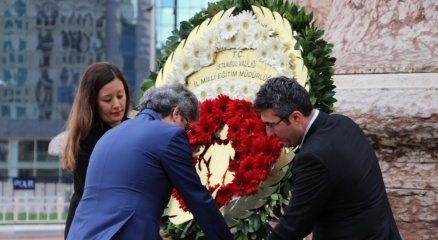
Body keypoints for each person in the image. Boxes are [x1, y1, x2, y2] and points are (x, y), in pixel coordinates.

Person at [67, 84, 233, 240]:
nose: (186, 133)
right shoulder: (169, 135)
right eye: (187, 126)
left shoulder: (109, 136)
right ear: (176, 113)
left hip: (80, 233)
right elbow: (197, 197)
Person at [254, 76, 401, 240]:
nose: (269, 133)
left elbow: (294, 224)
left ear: (296, 117)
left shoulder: (313, 156)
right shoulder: (344, 123)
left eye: (271, 125)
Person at [63, 62, 131, 238]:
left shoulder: (133, 128)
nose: (117, 105)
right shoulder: (85, 139)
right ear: (92, 102)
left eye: (120, 95)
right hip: (91, 228)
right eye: (107, 99)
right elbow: (104, 195)